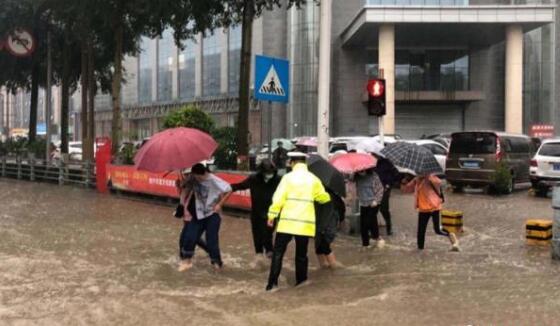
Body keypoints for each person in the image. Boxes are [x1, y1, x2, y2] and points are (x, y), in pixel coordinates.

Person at [266, 153, 331, 291]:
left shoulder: (287, 178)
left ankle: (272, 285)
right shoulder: (313, 179)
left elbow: (278, 199)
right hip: (304, 225)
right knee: (301, 255)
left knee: (278, 253)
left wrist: (272, 216)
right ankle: (301, 283)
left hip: (287, 223)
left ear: (292, 162)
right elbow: (323, 198)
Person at [177, 163, 232, 271]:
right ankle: (186, 261)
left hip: (212, 215)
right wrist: (181, 190)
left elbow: (229, 190)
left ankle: (217, 264)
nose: (197, 179)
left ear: (203, 174)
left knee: (211, 240)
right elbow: (185, 190)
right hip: (198, 215)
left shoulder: (214, 180)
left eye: (198, 177)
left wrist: (220, 204)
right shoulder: (193, 179)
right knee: (190, 237)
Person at [231, 159, 282, 263]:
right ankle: (259, 259)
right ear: (261, 172)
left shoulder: (279, 180)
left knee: (267, 235)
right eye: (266, 173)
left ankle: (270, 255)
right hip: (256, 213)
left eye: (270, 173)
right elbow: (239, 186)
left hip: (271, 214)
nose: (269, 174)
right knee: (257, 236)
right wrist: (227, 187)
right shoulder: (254, 179)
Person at [401, 174, 460, 251]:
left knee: (437, 230)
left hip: (434, 207)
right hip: (423, 209)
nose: (419, 173)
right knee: (421, 232)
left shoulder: (431, 177)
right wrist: (404, 182)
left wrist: (429, 178)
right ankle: (420, 250)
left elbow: (439, 183)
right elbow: (406, 190)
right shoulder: (417, 180)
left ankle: (451, 236)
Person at [177, 170, 209, 262]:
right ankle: (210, 251)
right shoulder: (186, 185)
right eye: (185, 174)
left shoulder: (197, 185)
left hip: (193, 217)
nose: (186, 176)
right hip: (186, 216)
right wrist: (179, 187)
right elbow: (182, 199)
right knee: (193, 239)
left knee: (184, 240)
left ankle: (185, 260)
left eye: (188, 174)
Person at [354, 169, 385, 249]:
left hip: (374, 203)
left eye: (362, 171)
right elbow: (352, 185)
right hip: (363, 203)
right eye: (359, 172)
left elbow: (380, 189)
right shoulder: (356, 177)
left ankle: (377, 237)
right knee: (363, 225)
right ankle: (366, 245)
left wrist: (376, 200)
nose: (361, 173)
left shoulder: (374, 176)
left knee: (368, 222)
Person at [315, 188, 345, 269]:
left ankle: (334, 266)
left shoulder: (331, 197)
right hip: (321, 225)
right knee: (319, 247)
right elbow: (342, 211)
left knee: (324, 246)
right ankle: (324, 268)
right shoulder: (318, 195)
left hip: (327, 226)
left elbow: (341, 211)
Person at [372, 154, 401, 235]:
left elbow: (396, 174)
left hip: (385, 188)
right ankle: (374, 231)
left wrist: (389, 184)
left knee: (384, 209)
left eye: (376, 155)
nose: (375, 156)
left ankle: (389, 228)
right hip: (375, 189)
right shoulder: (372, 163)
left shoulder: (387, 163)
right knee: (373, 210)